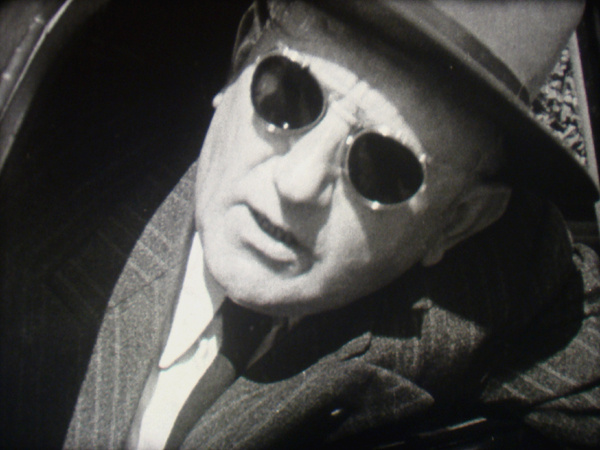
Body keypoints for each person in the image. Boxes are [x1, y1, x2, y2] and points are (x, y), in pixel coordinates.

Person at [3, 0, 599, 448]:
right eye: (287, 97)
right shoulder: (31, 212)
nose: (297, 185)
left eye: (383, 168)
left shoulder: (495, 285)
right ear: (239, 62)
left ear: (458, 222)